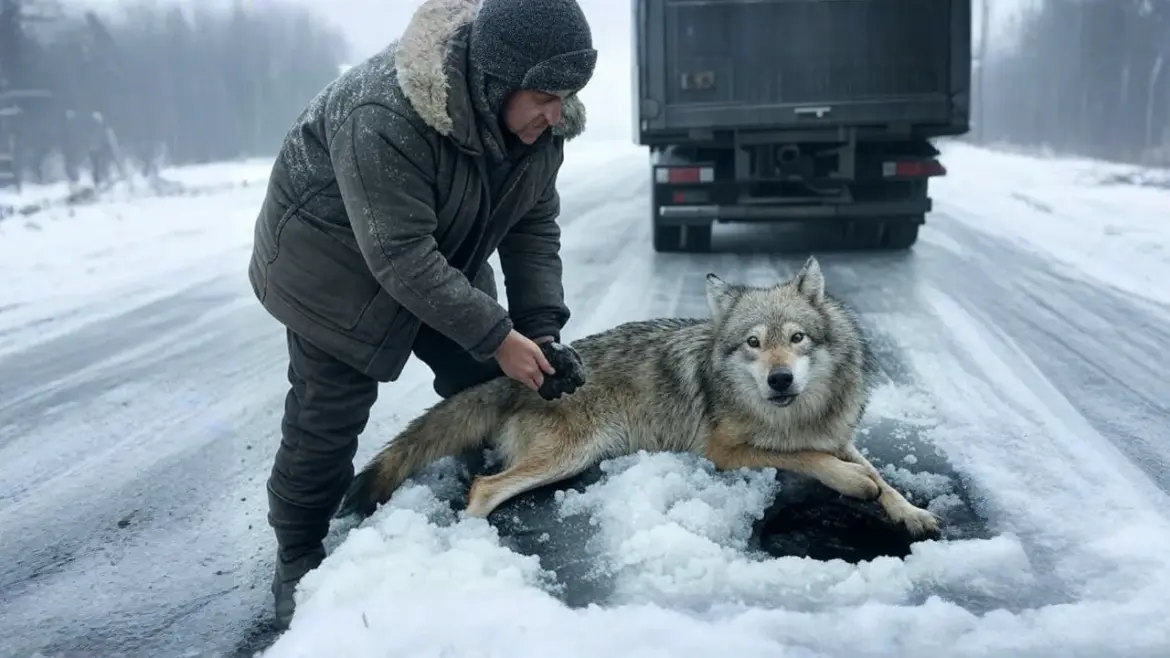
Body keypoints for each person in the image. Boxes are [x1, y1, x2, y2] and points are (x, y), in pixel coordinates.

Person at [245, 0, 597, 629]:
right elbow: (400, 255)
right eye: (544, 95)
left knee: (488, 378)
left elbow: (533, 228)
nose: (557, 111)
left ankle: (490, 476)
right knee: (328, 417)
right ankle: (298, 552)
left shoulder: (545, 126)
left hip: (437, 248)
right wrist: (498, 335)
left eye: (566, 94)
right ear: (496, 81)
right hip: (332, 262)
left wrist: (537, 330)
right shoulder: (383, 112)